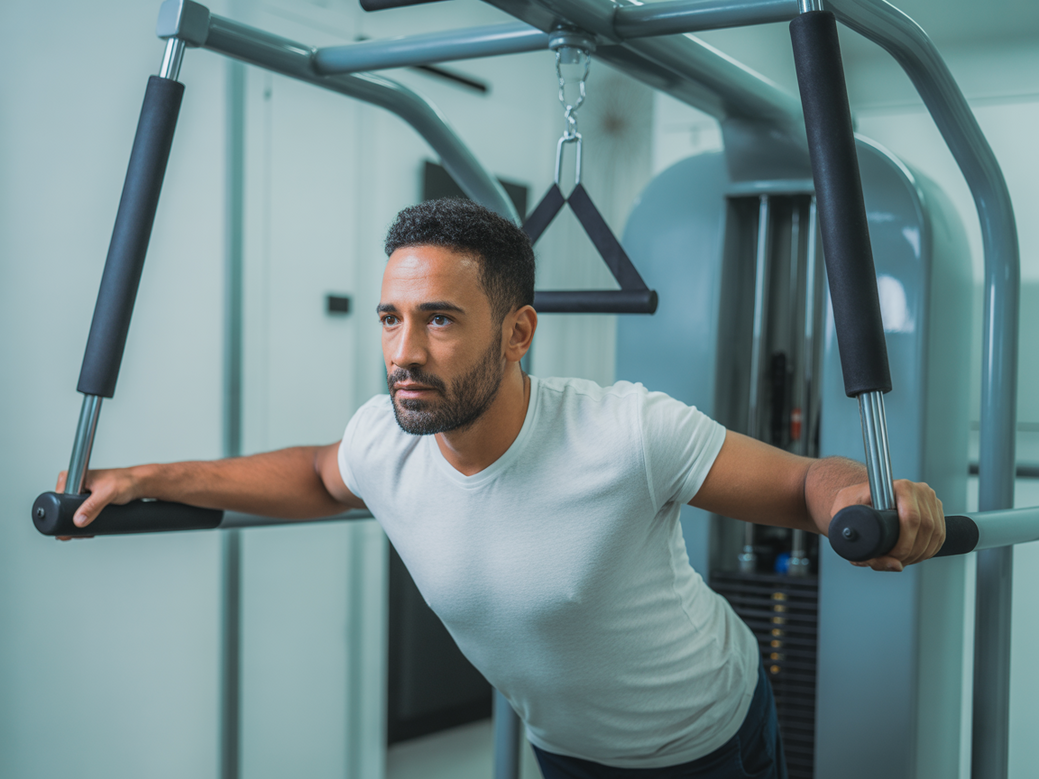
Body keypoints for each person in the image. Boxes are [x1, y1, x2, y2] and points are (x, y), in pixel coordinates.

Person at [59, 198, 945, 779]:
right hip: (563, 748)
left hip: (705, 735)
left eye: (438, 319)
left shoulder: (626, 430)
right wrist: (151, 476)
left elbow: (803, 482)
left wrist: (863, 504)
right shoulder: (386, 438)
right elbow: (315, 474)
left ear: (517, 332)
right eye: (391, 318)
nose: (403, 351)